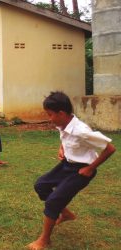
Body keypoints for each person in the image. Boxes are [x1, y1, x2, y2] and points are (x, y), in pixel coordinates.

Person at [27, 91, 116, 250]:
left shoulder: (81, 130)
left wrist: (90, 168)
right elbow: (65, 138)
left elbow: (110, 149)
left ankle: (44, 240)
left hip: (81, 170)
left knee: (53, 201)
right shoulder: (63, 124)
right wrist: (62, 148)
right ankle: (66, 214)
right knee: (41, 185)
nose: (49, 118)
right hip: (67, 165)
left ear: (61, 113)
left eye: (50, 115)